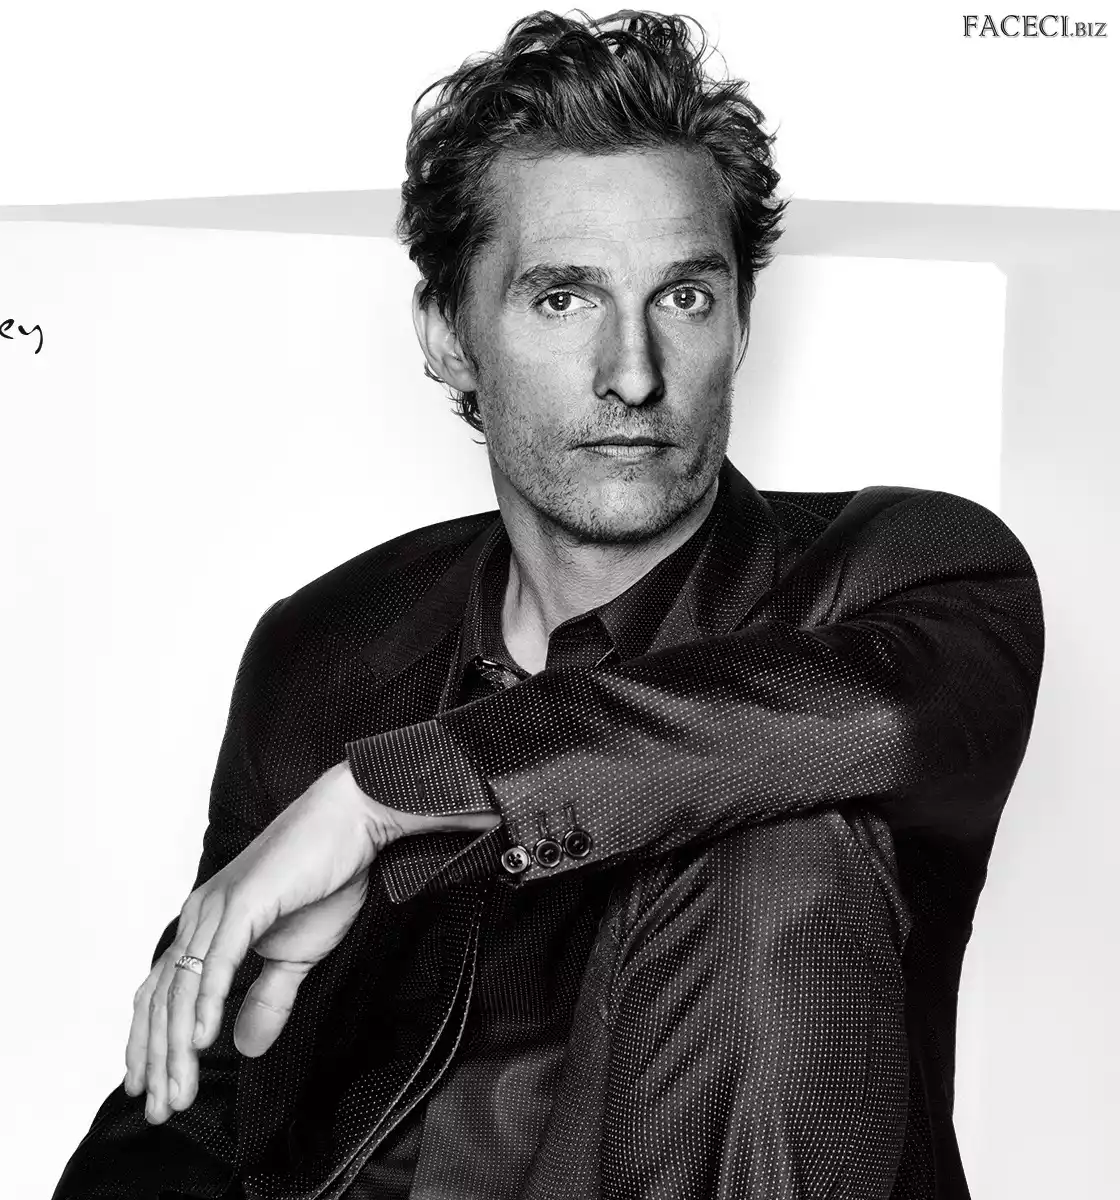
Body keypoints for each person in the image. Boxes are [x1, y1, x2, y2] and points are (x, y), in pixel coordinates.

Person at [51, 10, 1044, 1200]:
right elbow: (193, 1101)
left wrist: (399, 790)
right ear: (447, 334)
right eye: (564, 299)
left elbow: (883, 718)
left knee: (779, 849)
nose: (634, 373)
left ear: (741, 323)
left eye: (685, 297)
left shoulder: (908, 569)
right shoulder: (329, 649)